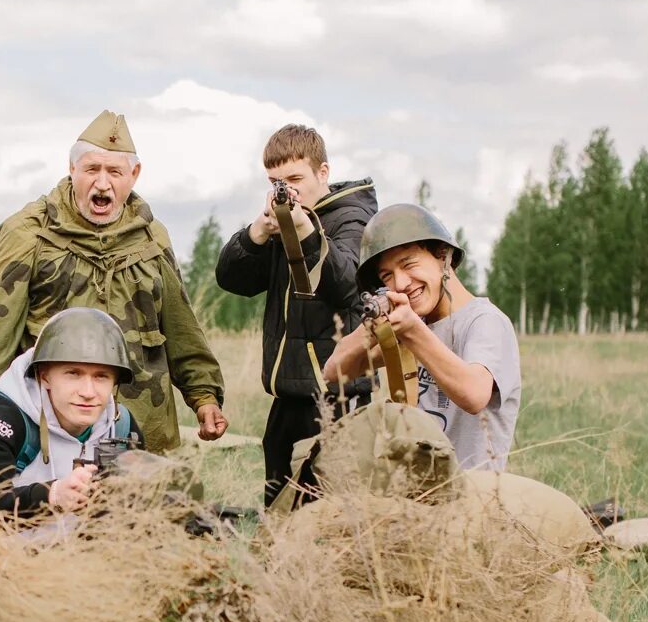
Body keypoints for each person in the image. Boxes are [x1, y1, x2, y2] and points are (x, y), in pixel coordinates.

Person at [0, 110, 227, 453]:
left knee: (144, 507)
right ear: (71, 169)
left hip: (142, 431)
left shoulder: (152, 239)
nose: (102, 184)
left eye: (114, 172)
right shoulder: (28, 235)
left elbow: (181, 328)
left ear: (134, 174)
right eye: (91, 169)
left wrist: (204, 396)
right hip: (49, 432)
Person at [214, 123, 377, 504]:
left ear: (323, 173)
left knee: (325, 511)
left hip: (337, 397)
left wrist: (305, 231)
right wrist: (257, 232)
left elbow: (346, 285)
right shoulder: (283, 216)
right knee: (278, 504)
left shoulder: (352, 219)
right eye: (274, 180)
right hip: (288, 392)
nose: (286, 188)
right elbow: (231, 279)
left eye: (294, 177)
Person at [323, 203, 520, 470]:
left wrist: (414, 331)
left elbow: (474, 395)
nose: (401, 283)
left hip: (474, 496)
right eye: (387, 276)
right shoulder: (414, 323)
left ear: (443, 256)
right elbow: (335, 371)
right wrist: (371, 326)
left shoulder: (485, 321)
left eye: (409, 264)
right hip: (417, 495)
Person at [0, 308, 140, 520]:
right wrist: (52, 495)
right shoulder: (3, 417)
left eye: (101, 376)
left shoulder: (121, 427)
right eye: (73, 374)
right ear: (44, 376)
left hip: (49, 542)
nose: (88, 392)